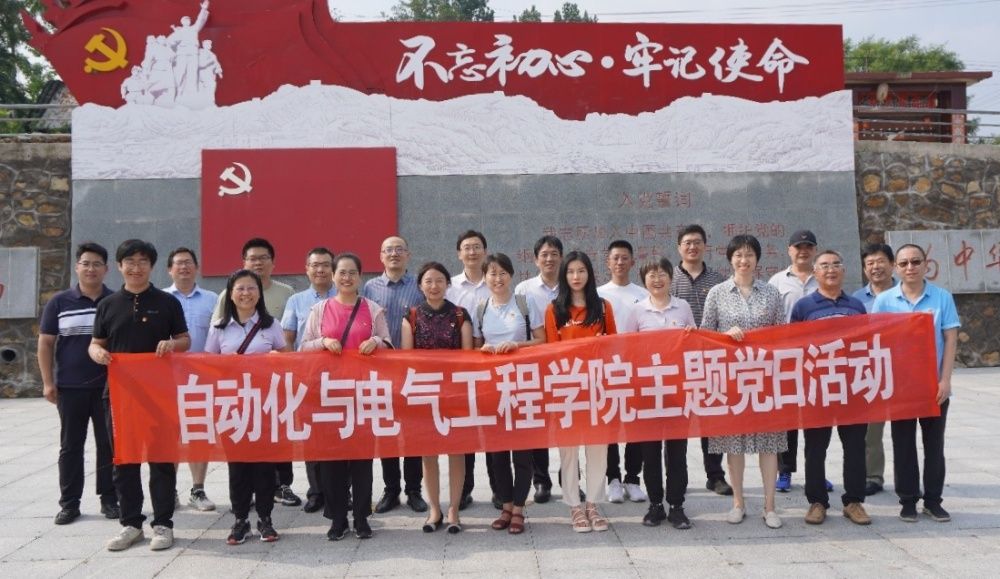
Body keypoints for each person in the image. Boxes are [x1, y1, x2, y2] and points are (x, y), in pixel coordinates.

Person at [89, 239, 190, 551]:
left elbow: (185, 339)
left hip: (160, 394)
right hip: (120, 395)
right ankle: (131, 524)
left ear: (152, 266)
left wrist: (172, 345)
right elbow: (96, 343)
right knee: (124, 459)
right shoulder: (107, 305)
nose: (136, 267)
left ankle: (163, 524)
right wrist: (96, 352)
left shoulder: (167, 302)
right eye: (130, 261)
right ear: (119, 266)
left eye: (143, 261)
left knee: (161, 460)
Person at [300, 253, 391, 540]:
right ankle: (337, 518)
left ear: (360, 277)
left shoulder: (372, 309)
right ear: (333, 276)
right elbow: (304, 347)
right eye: (342, 272)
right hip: (329, 395)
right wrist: (323, 341)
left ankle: (362, 517)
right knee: (332, 460)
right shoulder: (320, 309)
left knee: (362, 460)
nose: (347, 277)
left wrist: (375, 341)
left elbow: (389, 344)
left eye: (352, 272)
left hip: (364, 393)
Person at [703, 234, 786, 529]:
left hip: (765, 378)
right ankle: (738, 502)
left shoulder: (771, 293)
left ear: (757, 259)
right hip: (730, 380)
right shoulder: (717, 293)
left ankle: (770, 506)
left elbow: (783, 334)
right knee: (733, 443)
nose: (744, 260)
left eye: (749, 255)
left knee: (769, 443)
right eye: (738, 255)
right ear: (730, 259)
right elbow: (705, 335)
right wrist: (725, 336)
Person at [873, 243, 960, 523]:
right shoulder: (884, 301)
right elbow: (877, 343)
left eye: (915, 261)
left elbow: (950, 339)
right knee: (903, 444)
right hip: (901, 388)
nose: (910, 267)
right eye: (904, 263)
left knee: (934, 445)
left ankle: (933, 500)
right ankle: (908, 500)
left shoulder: (942, 297)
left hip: (933, 386)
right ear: (895, 268)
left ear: (925, 264)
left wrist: (945, 379)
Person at [214, 238, 299, 507]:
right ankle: (241, 502)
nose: (246, 293)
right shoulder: (221, 317)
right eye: (253, 258)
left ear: (273, 263)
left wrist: (278, 361)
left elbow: (286, 350)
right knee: (239, 449)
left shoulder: (286, 294)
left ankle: (278, 489)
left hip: (268, 393)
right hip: (234, 395)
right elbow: (209, 359)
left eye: (263, 258)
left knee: (273, 446)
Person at [205, 269, 289, 544]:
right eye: (240, 288)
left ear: (259, 293)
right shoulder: (218, 327)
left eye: (251, 288)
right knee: (238, 465)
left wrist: (277, 358)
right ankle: (240, 519)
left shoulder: (271, 325)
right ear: (230, 294)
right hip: (233, 406)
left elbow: (289, 360)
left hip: (265, 405)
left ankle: (265, 519)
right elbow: (207, 365)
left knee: (264, 466)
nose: (246, 293)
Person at [789, 250, 872, 526]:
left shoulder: (856, 306)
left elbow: (865, 345)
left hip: (851, 387)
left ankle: (854, 501)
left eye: (836, 264)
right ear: (815, 272)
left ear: (843, 271)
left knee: (855, 446)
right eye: (824, 265)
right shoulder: (803, 307)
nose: (831, 269)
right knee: (815, 447)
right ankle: (817, 502)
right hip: (818, 387)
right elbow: (793, 346)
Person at [38, 242, 118, 526]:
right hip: (70, 388)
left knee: (108, 445)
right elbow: (46, 343)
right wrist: (48, 382)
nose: (91, 269)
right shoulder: (59, 302)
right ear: (77, 267)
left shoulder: (115, 301)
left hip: (108, 387)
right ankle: (70, 503)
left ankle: (109, 499)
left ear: (106, 269)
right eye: (86, 263)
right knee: (71, 446)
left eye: (97, 264)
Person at [545, 250, 617, 533]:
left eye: (581, 271)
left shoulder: (603, 307)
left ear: (590, 274)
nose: (576, 277)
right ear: (564, 276)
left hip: (597, 388)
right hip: (567, 389)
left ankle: (594, 504)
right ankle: (575, 506)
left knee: (598, 449)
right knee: (569, 451)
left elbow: (614, 346)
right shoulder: (554, 309)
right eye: (571, 271)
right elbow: (551, 352)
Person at [474, 253, 545, 535]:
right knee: (497, 454)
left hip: (523, 386)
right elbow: (473, 348)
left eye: (502, 273)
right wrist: (483, 350)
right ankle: (505, 506)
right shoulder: (480, 308)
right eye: (492, 273)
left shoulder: (525, 303)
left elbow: (542, 341)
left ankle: (518, 509)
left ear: (511, 275)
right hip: (492, 389)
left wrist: (517, 346)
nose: (497, 278)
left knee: (522, 453)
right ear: (484, 278)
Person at [401, 261, 473, 534]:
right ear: (420, 286)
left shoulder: (460, 315)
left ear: (447, 284)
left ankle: (454, 509)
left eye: (439, 280)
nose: (434, 286)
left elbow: (468, 357)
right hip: (424, 393)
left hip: (454, 392)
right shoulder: (411, 316)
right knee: (428, 453)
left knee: (457, 452)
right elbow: (407, 359)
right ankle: (434, 509)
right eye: (428, 281)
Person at [362, 236, 428, 515]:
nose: (394, 254)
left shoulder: (419, 285)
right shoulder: (370, 287)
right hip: (381, 370)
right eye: (388, 250)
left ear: (408, 255)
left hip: (413, 369)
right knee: (387, 430)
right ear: (380, 255)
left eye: (399, 249)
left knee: (413, 430)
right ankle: (391, 490)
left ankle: (414, 490)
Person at [632, 258, 696, 530]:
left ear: (671, 278)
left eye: (662, 274)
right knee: (650, 452)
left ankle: (677, 505)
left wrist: (692, 334)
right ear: (644, 280)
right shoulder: (637, 310)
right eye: (651, 275)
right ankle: (656, 504)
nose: (657, 280)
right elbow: (627, 349)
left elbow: (694, 343)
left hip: (678, 390)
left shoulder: (683, 307)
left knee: (677, 452)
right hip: (648, 392)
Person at [671, 224, 733, 496]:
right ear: (679, 248)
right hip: (678, 362)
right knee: (679, 421)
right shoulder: (670, 278)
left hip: (710, 359)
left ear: (705, 246)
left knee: (713, 420)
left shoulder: (718, 280)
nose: (692, 247)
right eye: (687, 242)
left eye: (697, 242)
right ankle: (677, 476)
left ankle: (715, 475)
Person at [281, 247, 337, 514]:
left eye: (325, 265)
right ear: (307, 270)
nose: (320, 270)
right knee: (312, 437)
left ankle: (342, 491)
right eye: (315, 265)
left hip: (340, 378)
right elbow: (288, 339)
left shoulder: (346, 297)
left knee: (342, 434)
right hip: (308, 377)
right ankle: (316, 492)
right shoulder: (296, 301)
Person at [163, 247, 218, 512]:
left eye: (188, 263)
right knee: (170, 434)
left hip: (202, 377)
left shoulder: (212, 299)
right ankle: (169, 490)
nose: (183, 267)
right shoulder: (160, 299)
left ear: (196, 267)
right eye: (178, 263)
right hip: (167, 378)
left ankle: (198, 490)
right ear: (169, 270)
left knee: (199, 432)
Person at [768, 229, 822, 493]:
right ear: (789, 250)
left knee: (816, 419)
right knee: (787, 418)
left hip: (818, 358)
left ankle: (817, 472)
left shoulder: (824, 277)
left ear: (815, 250)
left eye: (808, 246)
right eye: (798, 247)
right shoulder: (777, 282)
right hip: (786, 359)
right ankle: (785, 471)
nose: (803, 251)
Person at [596, 240, 648, 504]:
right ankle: (613, 478)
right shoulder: (598, 295)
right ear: (608, 262)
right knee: (610, 426)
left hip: (637, 368)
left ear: (632, 261)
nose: (619, 262)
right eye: (615, 258)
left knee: (636, 426)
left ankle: (632, 478)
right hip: (607, 369)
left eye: (624, 258)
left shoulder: (643, 293)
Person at [513, 235, 564, 504]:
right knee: (539, 425)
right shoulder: (524, 289)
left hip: (568, 366)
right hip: (534, 366)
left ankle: (570, 479)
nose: (549, 258)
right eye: (544, 254)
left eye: (554, 253)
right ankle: (541, 481)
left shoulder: (572, 284)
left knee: (568, 424)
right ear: (535, 259)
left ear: (561, 257)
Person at [444, 230, 493, 510]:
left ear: (485, 251)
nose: (472, 252)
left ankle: (500, 489)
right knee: (464, 430)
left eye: (477, 247)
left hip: (492, 368)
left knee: (494, 428)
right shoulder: (449, 286)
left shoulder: (496, 281)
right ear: (459, 253)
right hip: (459, 370)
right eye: (467, 247)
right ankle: (463, 490)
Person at [852, 243, 897, 496]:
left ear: (892, 264)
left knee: (905, 431)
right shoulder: (857, 300)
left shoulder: (905, 293)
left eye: (880, 262)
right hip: (871, 371)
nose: (875, 267)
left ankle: (907, 479)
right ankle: (872, 476)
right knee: (870, 429)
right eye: (870, 263)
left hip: (903, 370)